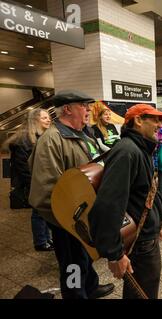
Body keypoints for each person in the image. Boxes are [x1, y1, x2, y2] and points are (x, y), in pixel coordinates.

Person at [28, 90, 114, 299]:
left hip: (85, 214)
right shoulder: (51, 141)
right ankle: (75, 295)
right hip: (68, 221)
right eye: (83, 106)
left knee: (84, 256)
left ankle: (91, 287)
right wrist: (71, 220)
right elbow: (45, 191)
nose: (88, 110)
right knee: (72, 265)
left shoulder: (83, 133)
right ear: (67, 109)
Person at [89, 104, 162, 299]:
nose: (160, 125)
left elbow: (144, 193)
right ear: (138, 121)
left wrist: (155, 222)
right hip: (139, 244)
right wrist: (114, 253)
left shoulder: (142, 148)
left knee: (145, 291)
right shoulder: (127, 151)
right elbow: (108, 205)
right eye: (155, 120)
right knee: (141, 294)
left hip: (146, 236)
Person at [3, 108, 53, 251]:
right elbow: (23, 168)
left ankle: (47, 239)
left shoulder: (40, 136)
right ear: (35, 120)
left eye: (48, 117)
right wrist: (36, 184)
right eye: (44, 118)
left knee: (43, 211)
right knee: (38, 212)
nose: (48, 120)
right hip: (34, 182)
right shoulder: (24, 141)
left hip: (41, 180)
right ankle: (41, 242)